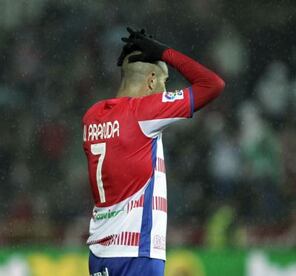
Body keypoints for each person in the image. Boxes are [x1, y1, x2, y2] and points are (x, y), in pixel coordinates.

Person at [82, 27, 225, 276]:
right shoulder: (144, 112)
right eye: (164, 81)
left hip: (99, 255)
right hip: (137, 252)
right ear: (150, 80)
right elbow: (212, 85)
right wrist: (164, 52)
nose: (165, 88)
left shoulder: (92, 116)